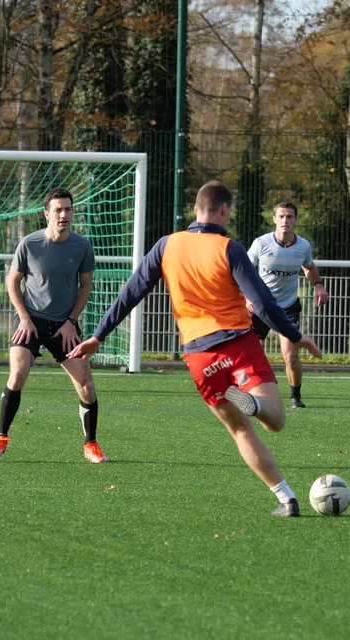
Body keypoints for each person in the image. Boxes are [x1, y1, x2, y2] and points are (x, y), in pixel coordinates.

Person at [69, 180, 323, 517]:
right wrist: (293, 333)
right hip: (238, 343)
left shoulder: (166, 245)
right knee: (274, 419)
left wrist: (99, 335)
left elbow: (131, 292)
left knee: (239, 430)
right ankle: (256, 404)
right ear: (224, 210)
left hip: (200, 356)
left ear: (194, 210)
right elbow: (261, 302)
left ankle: (286, 499)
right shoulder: (228, 248)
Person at [0, 188, 107, 464]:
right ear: (46, 213)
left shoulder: (82, 246)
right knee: (17, 375)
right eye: (58, 209)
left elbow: (85, 286)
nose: (64, 214)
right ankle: (1, 438)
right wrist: (24, 318)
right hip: (31, 321)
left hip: (64, 325)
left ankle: (91, 444)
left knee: (85, 383)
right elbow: (12, 282)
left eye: (68, 209)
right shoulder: (29, 244)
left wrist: (71, 322)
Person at [247, 200, 329, 408]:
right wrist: (246, 297)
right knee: (254, 354)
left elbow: (309, 267)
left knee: (291, 356)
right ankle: (255, 394)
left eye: (289, 216)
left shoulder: (302, 246)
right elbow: (244, 271)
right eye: (281, 216)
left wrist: (318, 285)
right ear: (274, 219)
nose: (285, 220)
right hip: (260, 306)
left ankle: (295, 397)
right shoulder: (261, 244)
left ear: (295, 220)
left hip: (288, 307)